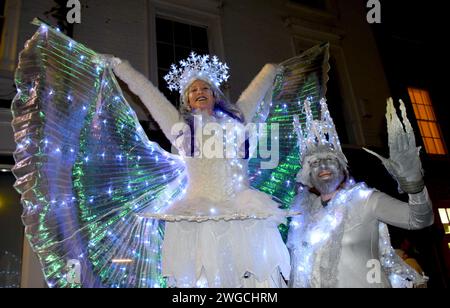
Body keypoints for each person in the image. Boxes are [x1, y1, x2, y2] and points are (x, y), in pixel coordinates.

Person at [106, 52, 291, 288]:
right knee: (207, 276)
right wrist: (120, 66)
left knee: (251, 276)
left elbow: (255, 92)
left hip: (243, 210)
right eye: (193, 90)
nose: (199, 92)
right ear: (187, 100)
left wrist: (270, 68)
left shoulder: (238, 119)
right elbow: (148, 94)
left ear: (214, 94)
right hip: (203, 215)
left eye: (205, 88)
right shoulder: (180, 128)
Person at [287, 98, 433, 288]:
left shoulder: (365, 199)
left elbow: (419, 219)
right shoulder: (305, 216)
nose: (322, 166)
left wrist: (415, 186)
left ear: (343, 167)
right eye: (314, 162)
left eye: (329, 160)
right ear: (307, 175)